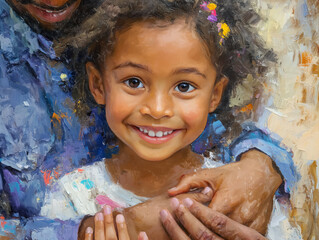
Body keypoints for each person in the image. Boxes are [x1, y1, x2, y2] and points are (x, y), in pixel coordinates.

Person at [0, 0, 298, 239]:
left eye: (183, 86)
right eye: (133, 82)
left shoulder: (236, 193)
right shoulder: (70, 196)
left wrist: (260, 163)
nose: (157, 109)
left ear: (215, 94)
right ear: (98, 84)